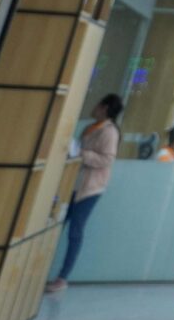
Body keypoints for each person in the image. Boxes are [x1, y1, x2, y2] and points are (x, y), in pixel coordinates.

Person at [45, 94, 120, 294]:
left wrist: (81, 153)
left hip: (89, 189)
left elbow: (107, 159)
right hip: (73, 184)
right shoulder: (91, 127)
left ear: (104, 108)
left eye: (98, 104)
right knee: (56, 225)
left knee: (75, 231)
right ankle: (42, 270)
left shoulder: (109, 132)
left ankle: (63, 277)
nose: (94, 107)